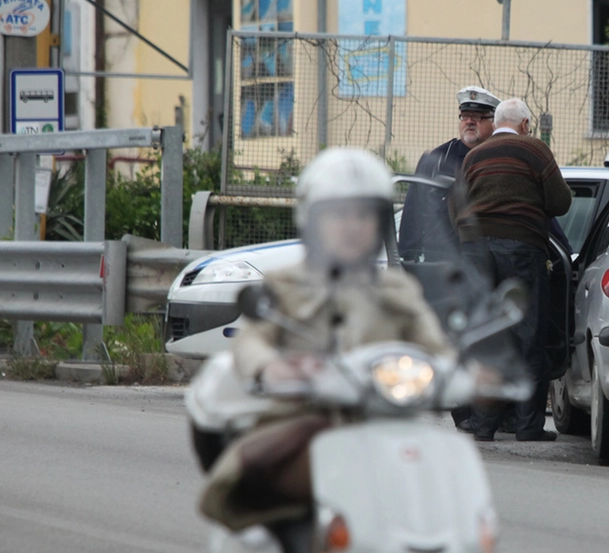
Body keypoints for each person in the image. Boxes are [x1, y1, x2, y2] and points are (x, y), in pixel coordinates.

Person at [199, 147, 453, 530]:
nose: (353, 225)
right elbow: (252, 339)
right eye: (339, 214)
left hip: (385, 426)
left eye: (364, 214)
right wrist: (272, 367)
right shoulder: (286, 285)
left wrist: (469, 376)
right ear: (314, 219)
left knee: (438, 479)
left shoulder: (397, 289)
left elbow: (436, 348)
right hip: (303, 421)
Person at [450, 98, 572, 442]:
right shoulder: (534, 150)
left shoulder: (473, 156)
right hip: (521, 249)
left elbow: (454, 203)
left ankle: (483, 426)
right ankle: (528, 426)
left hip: (475, 252)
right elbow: (560, 203)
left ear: (497, 121)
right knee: (528, 337)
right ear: (525, 125)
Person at [397, 86, 500, 263]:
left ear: (493, 123)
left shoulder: (500, 159)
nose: (469, 121)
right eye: (465, 116)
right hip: (441, 262)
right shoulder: (437, 160)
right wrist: (408, 255)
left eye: (477, 117)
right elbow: (414, 209)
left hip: (487, 261)